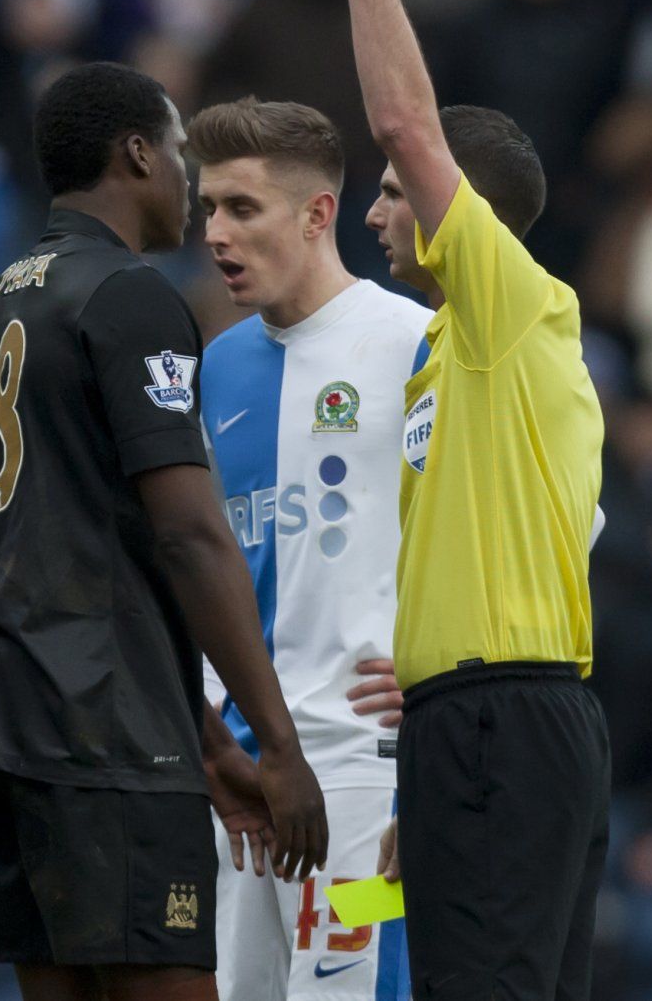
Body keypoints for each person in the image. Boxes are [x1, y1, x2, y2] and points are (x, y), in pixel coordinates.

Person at [0, 62, 327, 1001]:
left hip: (8, 714)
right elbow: (188, 536)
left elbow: (75, 543)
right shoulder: (129, 294)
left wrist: (205, 739)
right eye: (183, 155)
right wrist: (277, 744)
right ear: (137, 153)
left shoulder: (14, 293)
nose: (192, 185)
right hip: (101, 730)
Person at [328, 0, 611, 1000]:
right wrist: (431, 670)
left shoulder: (510, 309)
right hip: (470, 721)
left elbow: (404, 120)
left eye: (393, 196)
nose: (377, 212)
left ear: (465, 215)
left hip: (506, 724)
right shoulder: (446, 355)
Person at [189, 95, 432, 1001]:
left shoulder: (412, 342)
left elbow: (555, 525)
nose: (215, 231)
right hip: (245, 787)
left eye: (241, 208)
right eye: (207, 207)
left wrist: (454, 670)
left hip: (365, 773)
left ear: (317, 212)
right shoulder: (219, 366)